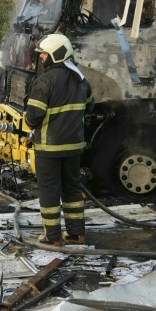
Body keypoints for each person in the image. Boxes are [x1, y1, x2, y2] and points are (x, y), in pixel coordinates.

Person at [24, 34, 93, 246]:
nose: (42, 57)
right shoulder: (80, 78)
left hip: (49, 147)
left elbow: (33, 116)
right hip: (73, 146)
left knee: (49, 191)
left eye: (44, 53)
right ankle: (76, 234)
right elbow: (89, 107)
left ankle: (52, 237)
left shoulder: (45, 80)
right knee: (72, 189)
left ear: (55, 54)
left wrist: (30, 122)